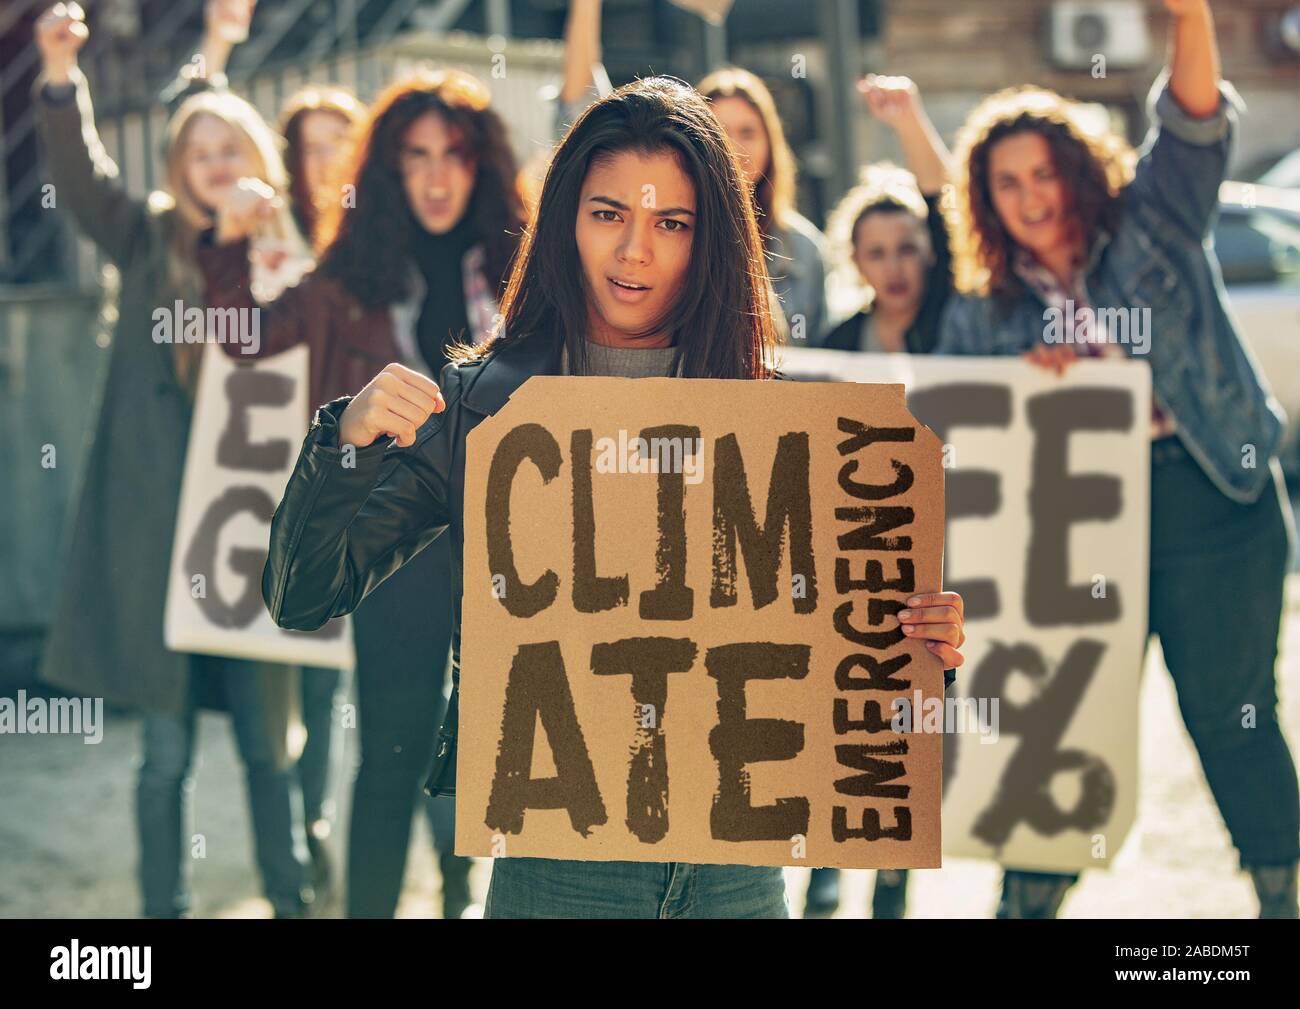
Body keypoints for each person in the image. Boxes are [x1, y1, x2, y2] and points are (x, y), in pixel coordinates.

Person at [255, 75, 968, 919]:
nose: (636, 251)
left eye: (672, 222)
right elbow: (303, 595)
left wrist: (921, 642)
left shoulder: (783, 420)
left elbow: (858, 685)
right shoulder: (482, 403)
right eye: (608, 214)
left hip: (738, 869)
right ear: (564, 219)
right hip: (557, 871)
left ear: (711, 242)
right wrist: (343, 444)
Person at [937, 0, 1298, 918]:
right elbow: (973, 439)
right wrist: (1033, 387)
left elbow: (1193, 119)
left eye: (1044, 171)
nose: (1031, 195)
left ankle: (1281, 886)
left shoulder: (1153, 222)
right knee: (1057, 722)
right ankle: (1027, 902)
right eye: (1006, 181)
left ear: (1078, 167)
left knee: (1229, 711)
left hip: (1210, 496)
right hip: (1074, 525)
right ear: (984, 196)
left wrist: (1188, 16)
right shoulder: (985, 310)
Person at [202, 66, 527, 918]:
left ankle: (463, 898)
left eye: (454, 154)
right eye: (415, 155)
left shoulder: (527, 274)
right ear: (387, 169)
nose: (436, 175)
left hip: (518, 540)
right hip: (401, 550)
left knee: (501, 758)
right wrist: (228, 245)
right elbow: (242, 339)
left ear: (480, 165)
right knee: (390, 754)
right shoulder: (348, 282)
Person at [33, 2, 314, 918]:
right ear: (178, 173)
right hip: (163, 547)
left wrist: (266, 243)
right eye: (199, 156)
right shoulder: (147, 239)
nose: (218, 167)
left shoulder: (286, 254)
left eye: (231, 151)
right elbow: (79, 181)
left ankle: (292, 896)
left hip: (248, 540)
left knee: (272, 748)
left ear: (256, 163)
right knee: (164, 755)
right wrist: (59, 78)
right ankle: (165, 914)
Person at [810, 74, 954, 919]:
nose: (895, 266)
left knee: (911, 720)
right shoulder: (837, 343)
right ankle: (831, 865)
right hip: (855, 552)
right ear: (854, 261)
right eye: (877, 251)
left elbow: (947, 206)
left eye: (908, 248)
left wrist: (907, 121)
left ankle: (891, 886)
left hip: (936, 557)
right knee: (847, 709)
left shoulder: (952, 326)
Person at [699, 66, 832, 345]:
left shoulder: (806, 250)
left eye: (748, 132)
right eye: (719, 132)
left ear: (771, 144)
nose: (733, 147)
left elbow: (819, 365)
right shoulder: (671, 231)